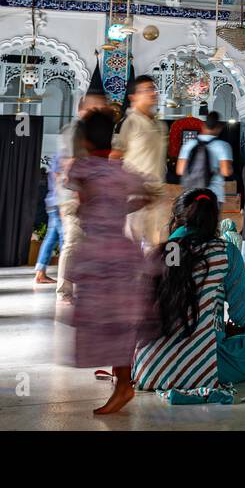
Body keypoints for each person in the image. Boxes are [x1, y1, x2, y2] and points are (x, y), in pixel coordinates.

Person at [133, 189, 245, 400]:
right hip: (202, 368)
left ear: (175, 219)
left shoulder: (159, 254)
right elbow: (243, 315)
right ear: (214, 221)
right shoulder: (225, 252)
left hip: (147, 369)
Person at [65, 109, 158, 415]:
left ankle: (124, 384)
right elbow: (149, 194)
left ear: (86, 140)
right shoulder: (122, 172)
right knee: (121, 323)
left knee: (101, 321)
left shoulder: (82, 169)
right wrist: (122, 206)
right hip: (122, 251)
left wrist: (93, 210)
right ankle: (123, 382)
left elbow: (81, 204)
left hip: (98, 251)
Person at [54, 93, 108, 302]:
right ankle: (64, 291)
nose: (100, 110)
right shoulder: (75, 130)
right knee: (73, 242)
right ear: (84, 108)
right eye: (97, 107)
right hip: (74, 196)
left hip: (89, 195)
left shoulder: (90, 132)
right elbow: (72, 164)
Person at [114, 75, 169, 247]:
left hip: (157, 194)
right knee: (130, 246)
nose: (152, 93)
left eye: (153, 89)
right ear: (133, 97)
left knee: (157, 248)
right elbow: (115, 157)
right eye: (147, 90)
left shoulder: (160, 125)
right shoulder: (128, 123)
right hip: (135, 194)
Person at [177, 111, 234, 204]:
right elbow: (226, 172)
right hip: (213, 194)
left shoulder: (189, 144)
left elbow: (180, 170)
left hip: (190, 195)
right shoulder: (223, 146)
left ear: (203, 126)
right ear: (218, 128)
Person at [35, 152, 64, 285]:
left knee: (51, 238)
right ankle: (65, 276)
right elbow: (58, 178)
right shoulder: (64, 154)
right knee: (66, 239)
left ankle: (40, 273)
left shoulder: (60, 154)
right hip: (60, 203)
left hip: (54, 202)